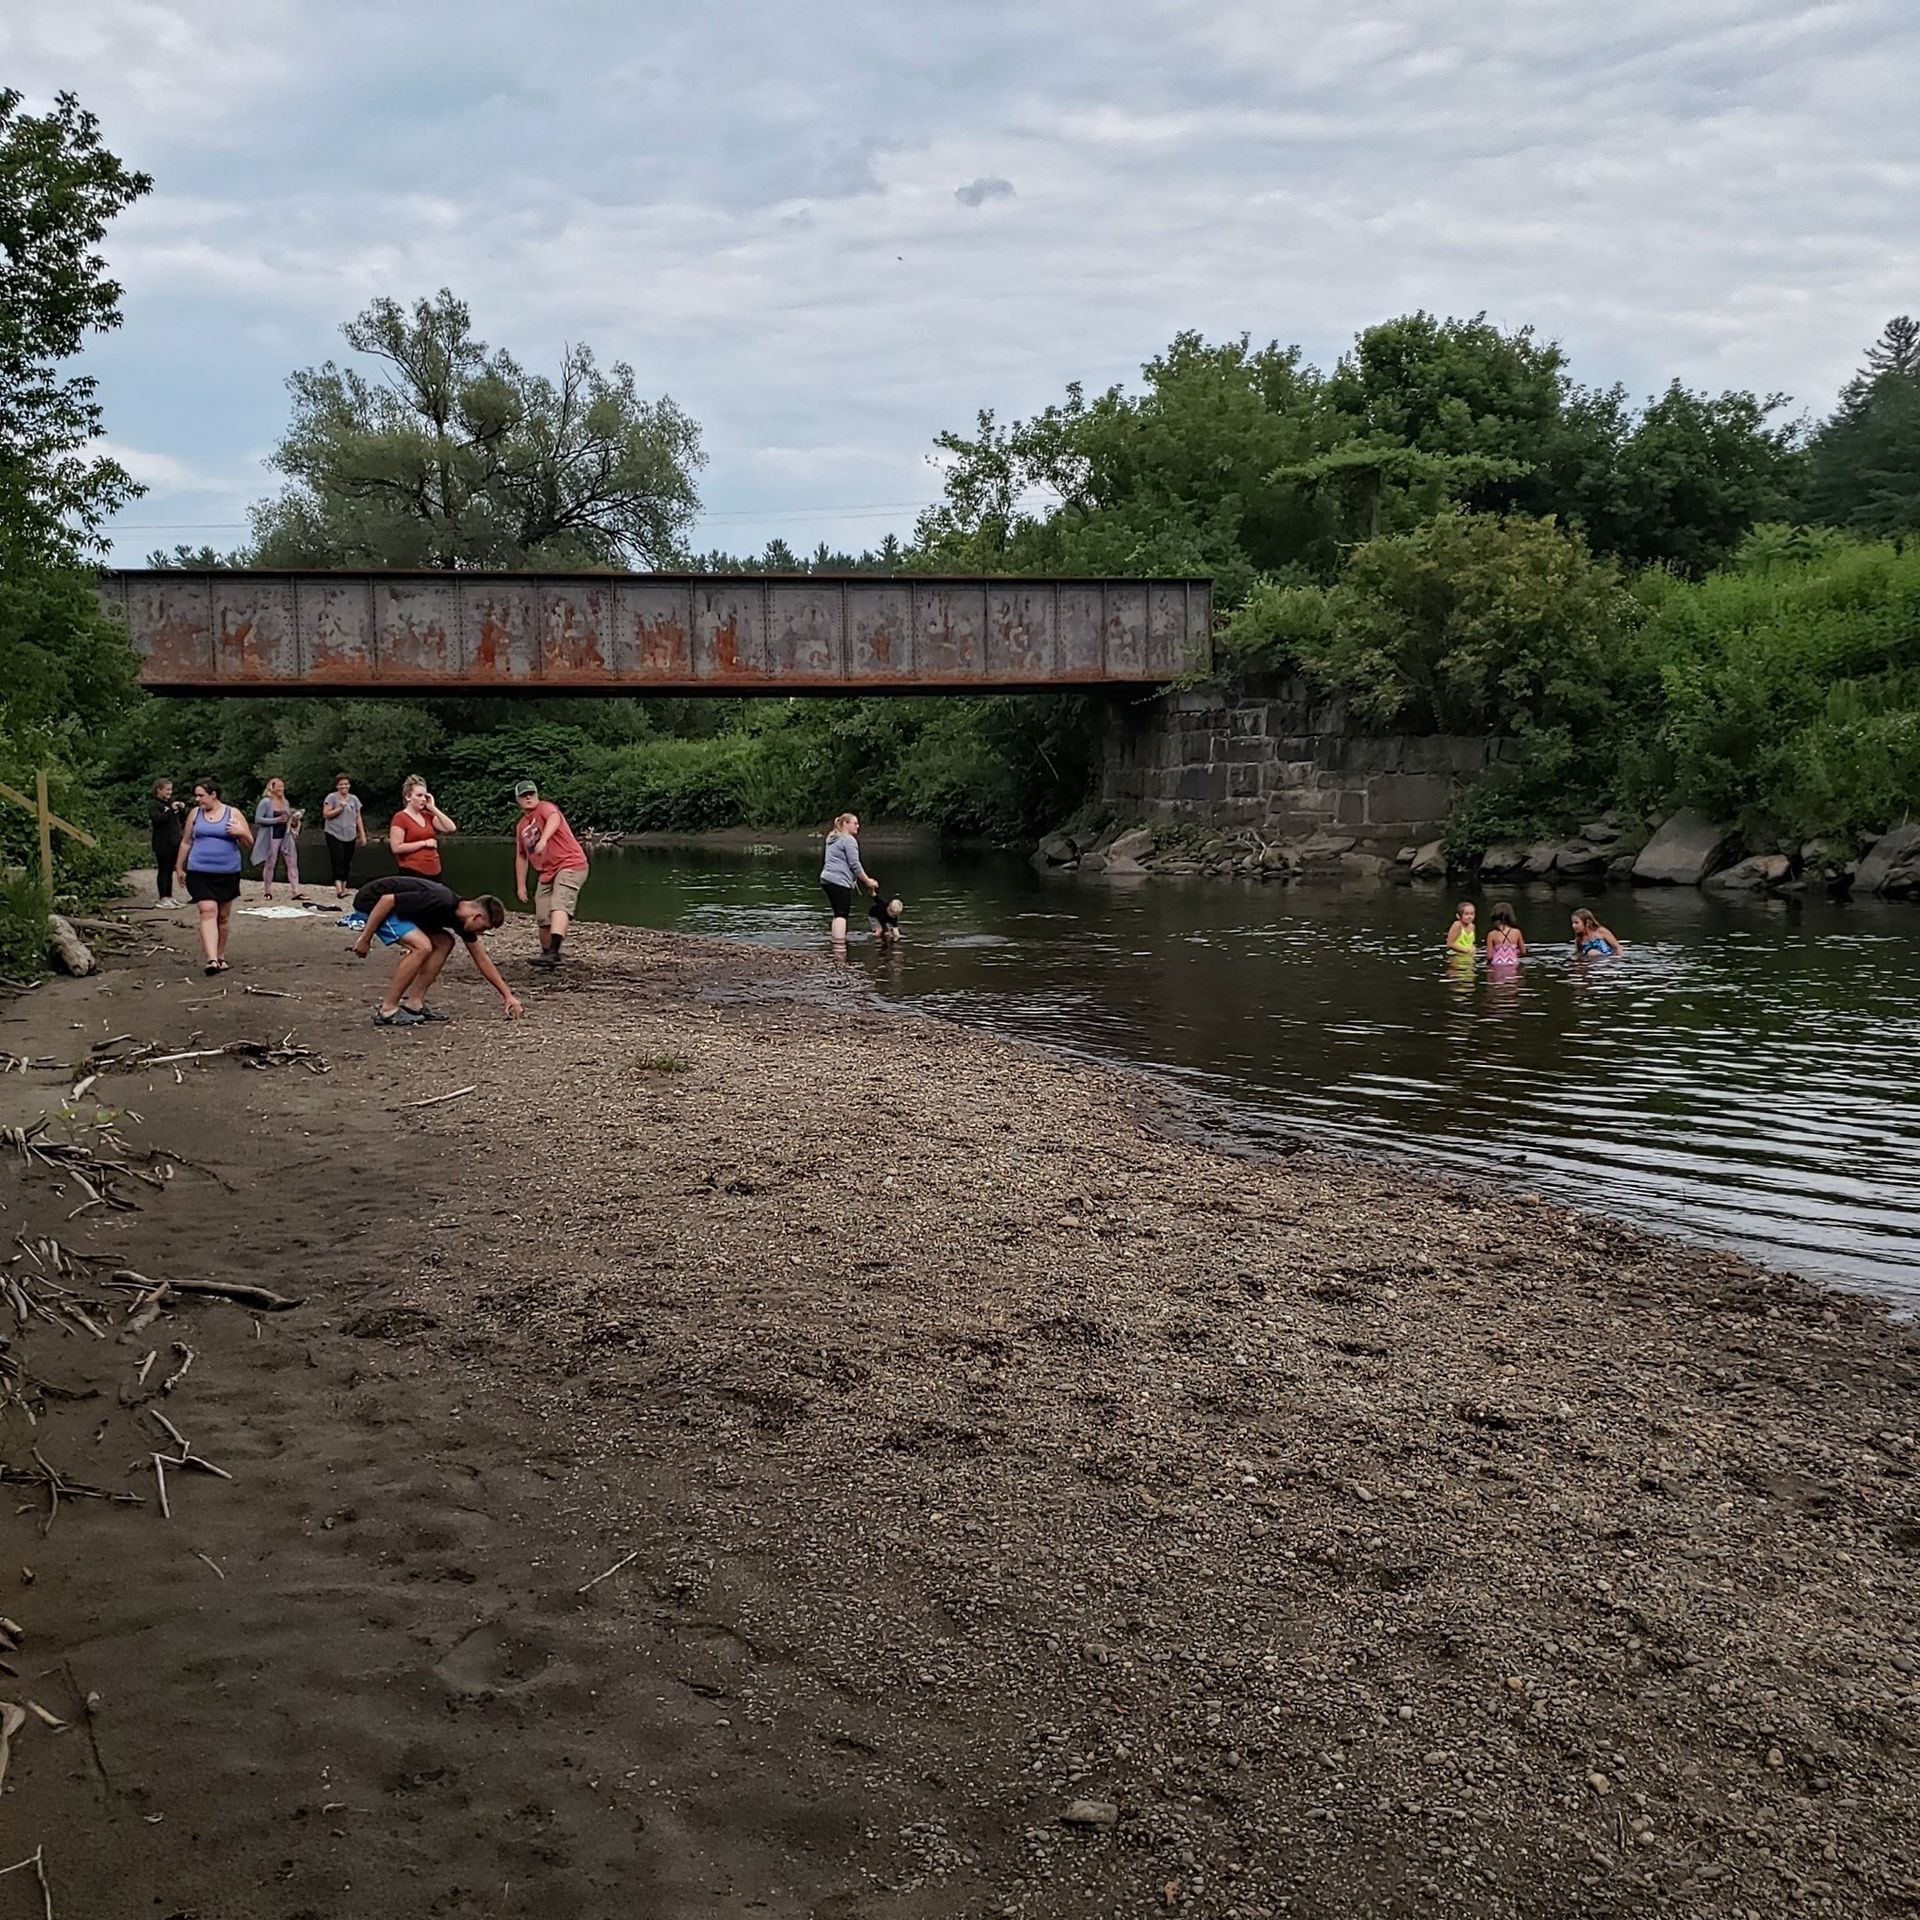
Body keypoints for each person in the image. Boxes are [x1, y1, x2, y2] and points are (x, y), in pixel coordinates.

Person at [350, 875, 523, 1026]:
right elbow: (387, 900)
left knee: (445, 942)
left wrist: (507, 995)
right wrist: (365, 939)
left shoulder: (461, 919)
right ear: (477, 917)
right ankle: (388, 1010)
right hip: (373, 903)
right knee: (422, 946)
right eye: (484, 928)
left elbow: (481, 958)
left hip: (400, 911)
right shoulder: (440, 899)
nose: (481, 933)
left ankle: (414, 1003)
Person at [175, 778, 253, 974]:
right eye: (196, 795)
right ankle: (211, 960)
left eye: (201, 795)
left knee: (223, 917)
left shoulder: (232, 813)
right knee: (207, 909)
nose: (197, 799)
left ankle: (220, 955)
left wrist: (240, 831)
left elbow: (249, 842)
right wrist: (179, 867)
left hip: (227, 872)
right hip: (199, 870)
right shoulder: (195, 814)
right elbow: (186, 841)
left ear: (213, 795)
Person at [512, 780, 590, 970]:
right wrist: (521, 885)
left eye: (531, 793)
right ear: (518, 800)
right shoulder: (522, 826)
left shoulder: (546, 808)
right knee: (543, 914)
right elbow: (521, 856)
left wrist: (545, 839)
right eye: (524, 795)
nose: (528, 797)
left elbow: (554, 819)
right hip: (546, 872)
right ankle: (547, 955)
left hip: (570, 863)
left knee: (560, 903)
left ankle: (554, 952)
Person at [821, 812, 878, 942]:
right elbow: (855, 865)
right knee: (842, 914)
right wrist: (868, 881)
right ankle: (840, 946)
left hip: (826, 879)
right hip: (838, 880)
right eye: (855, 823)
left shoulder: (832, 837)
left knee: (837, 913)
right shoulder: (848, 840)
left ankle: (836, 942)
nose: (858, 826)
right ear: (845, 824)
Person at [390, 775, 456, 878]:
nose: (423, 799)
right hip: (413, 870)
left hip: (434, 869)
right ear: (408, 797)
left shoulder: (427, 816)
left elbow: (450, 828)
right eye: (419, 795)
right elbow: (396, 848)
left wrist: (433, 808)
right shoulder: (400, 818)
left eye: (425, 796)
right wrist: (424, 843)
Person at [253, 777, 304, 900]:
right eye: (279, 786)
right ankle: (267, 890)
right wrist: (275, 820)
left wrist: (294, 820)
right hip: (272, 836)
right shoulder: (265, 802)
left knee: (292, 862)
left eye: (282, 786)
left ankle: (296, 891)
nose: (281, 788)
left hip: (286, 835)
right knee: (270, 863)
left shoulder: (285, 802)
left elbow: (288, 819)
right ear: (272, 787)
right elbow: (258, 819)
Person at [321, 774, 367, 898]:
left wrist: (362, 834)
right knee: (338, 859)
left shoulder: (354, 799)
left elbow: (358, 817)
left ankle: (345, 886)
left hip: (350, 834)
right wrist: (339, 809)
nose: (344, 786)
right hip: (334, 833)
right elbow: (326, 814)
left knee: (347, 860)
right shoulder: (332, 797)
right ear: (337, 786)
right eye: (341, 784)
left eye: (346, 784)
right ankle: (339, 888)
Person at [148, 778, 185, 907]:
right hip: (162, 843)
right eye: (167, 789)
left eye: (171, 789)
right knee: (163, 870)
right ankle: (162, 897)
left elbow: (180, 819)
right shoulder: (153, 804)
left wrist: (180, 809)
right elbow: (158, 819)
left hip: (173, 842)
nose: (170, 792)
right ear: (159, 790)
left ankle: (169, 896)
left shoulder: (170, 803)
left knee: (170, 871)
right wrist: (170, 810)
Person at [1485, 902, 1526, 968]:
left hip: (1497, 965)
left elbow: (1489, 956)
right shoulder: (1517, 932)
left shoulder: (1491, 934)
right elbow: (1523, 951)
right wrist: (1512, 950)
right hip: (1513, 964)